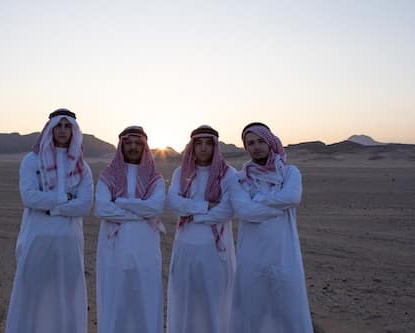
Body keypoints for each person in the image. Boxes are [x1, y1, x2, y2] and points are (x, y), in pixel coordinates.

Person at [5, 109, 93, 333]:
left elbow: (84, 205)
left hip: (68, 243)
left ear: (74, 130)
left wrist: (51, 206)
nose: (63, 131)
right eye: (59, 126)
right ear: (50, 129)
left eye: (67, 126)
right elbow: (29, 197)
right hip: (37, 239)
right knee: (33, 296)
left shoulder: (82, 168)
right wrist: (65, 200)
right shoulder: (31, 161)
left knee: (65, 297)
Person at [229, 122, 313, 333]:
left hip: (283, 255)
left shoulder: (289, 172)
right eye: (250, 143)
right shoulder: (239, 178)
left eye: (260, 141)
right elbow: (244, 211)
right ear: (246, 147)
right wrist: (278, 206)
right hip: (252, 256)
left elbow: (292, 197)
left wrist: (257, 200)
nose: (256, 147)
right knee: (253, 311)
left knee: (288, 310)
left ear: (270, 142)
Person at [94, 125, 166, 333]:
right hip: (113, 249)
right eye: (129, 143)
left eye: (138, 143)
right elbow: (102, 208)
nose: (133, 147)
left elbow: (155, 207)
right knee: (116, 299)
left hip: (146, 248)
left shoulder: (155, 178)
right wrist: (141, 213)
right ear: (121, 146)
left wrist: (120, 202)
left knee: (145, 298)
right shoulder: (108, 175)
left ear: (145, 147)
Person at [166, 125, 236, 333]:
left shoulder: (228, 174)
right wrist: (205, 207)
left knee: (214, 301)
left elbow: (227, 210)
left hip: (216, 251)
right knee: (186, 299)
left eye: (208, 144)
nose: (203, 149)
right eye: (199, 144)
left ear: (215, 147)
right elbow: (173, 202)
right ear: (192, 146)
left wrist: (192, 214)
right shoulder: (181, 172)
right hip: (185, 248)